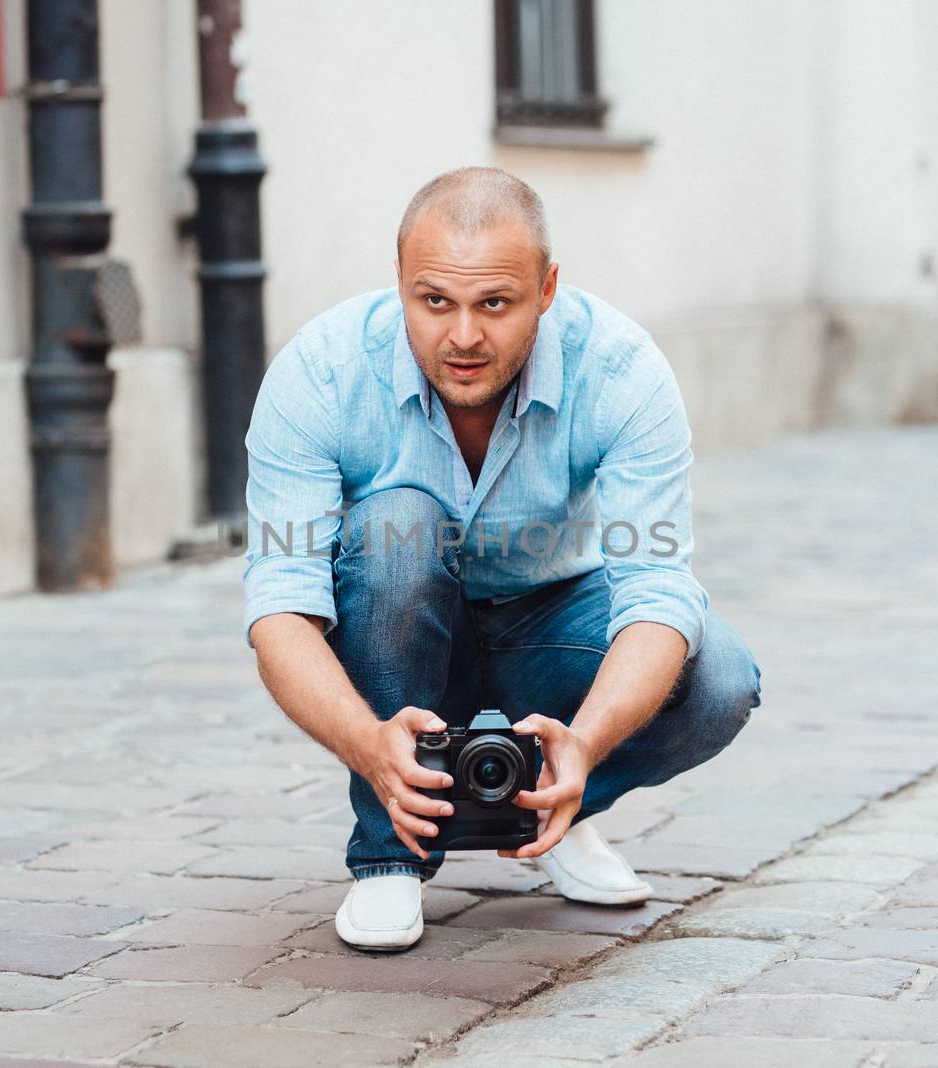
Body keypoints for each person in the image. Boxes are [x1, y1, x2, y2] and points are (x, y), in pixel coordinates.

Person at [242, 166, 761, 951]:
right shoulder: (319, 373)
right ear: (399, 283)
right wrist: (366, 744)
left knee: (720, 676)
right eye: (434, 301)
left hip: (549, 624)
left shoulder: (622, 370)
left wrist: (583, 744)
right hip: (399, 627)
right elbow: (280, 606)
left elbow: (657, 591)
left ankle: (549, 803)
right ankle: (390, 855)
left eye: (495, 303)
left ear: (546, 289)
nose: (462, 337)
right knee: (395, 524)